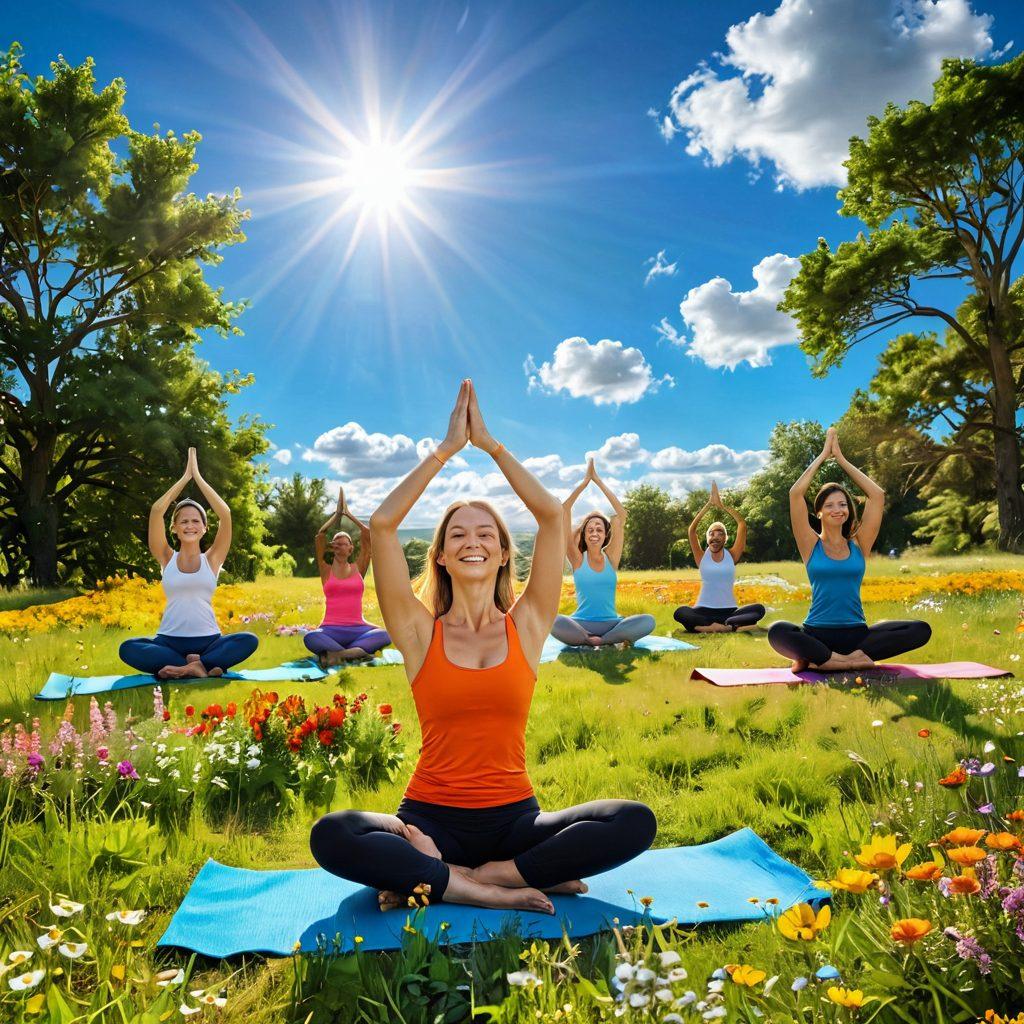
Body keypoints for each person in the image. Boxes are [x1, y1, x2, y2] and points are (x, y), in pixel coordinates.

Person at [309, 381, 657, 913]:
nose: (472, 541)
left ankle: (472, 877)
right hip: (428, 820)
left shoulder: (528, 625)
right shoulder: (420, 632)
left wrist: (491, 445)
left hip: (514, 822)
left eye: (486, 534)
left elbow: (551, 516)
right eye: (457, 535)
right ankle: (480, 887)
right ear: (441, 556)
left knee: (633, 821)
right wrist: (445, 450)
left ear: (502, 554)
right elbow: (381, 524)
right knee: (332, 834)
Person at [767, 428, 931, 673]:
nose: (838, 509)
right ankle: (841, 660)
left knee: (919, 629)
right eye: (829, 505)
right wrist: (824, 455)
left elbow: (876, 495)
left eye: (842, 504)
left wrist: (841, 459)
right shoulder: (810, 544)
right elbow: (795, 494)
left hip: (857, 636)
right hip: (817, 633)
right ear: (818, 512)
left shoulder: (859, 543)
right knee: (778, 631)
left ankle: (823, 660)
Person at [119, 448, 258, 679]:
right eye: (183, 521)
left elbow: (225, 514)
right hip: (169, 642)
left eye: (195, 521)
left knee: (248, 640)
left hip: (209, 641)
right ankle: (200, 666)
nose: (190, 525)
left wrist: (198, 477)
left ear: (204, 528)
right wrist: (185, 478)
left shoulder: (212, 559)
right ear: (174, 528)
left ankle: (189, 667)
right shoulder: (166, 557)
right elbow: (156, 511)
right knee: (128, 648)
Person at [549, 458, 655, 648]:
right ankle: (594, 639)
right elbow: (565, 509)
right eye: (590, 530)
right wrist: (585, 482)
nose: (594, 533)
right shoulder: (577, 558)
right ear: (584, 535)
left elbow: (621, 515)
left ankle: (599, 640)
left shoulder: (611, 557)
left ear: (606, 535)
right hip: (581, 622)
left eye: (599, 529)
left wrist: (597, 480)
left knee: (648, 621)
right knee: (552, 619)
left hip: (611, 623)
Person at [302, 486, 390, 667]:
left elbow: (367, 535)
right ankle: (355, 654)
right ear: (332, 547)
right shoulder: (325, 570)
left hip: (358, 628)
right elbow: (320, 537)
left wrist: (349, 514)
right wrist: (336, 516)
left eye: (344, 543)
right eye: (336, 543)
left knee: (385, 635)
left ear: (351, 548)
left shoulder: (359, 567)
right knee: (311, 637)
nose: (340, 545)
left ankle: (337, 655)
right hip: (330, 629)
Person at [673, 481, 765, 633]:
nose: (715, 537)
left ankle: (707, 628)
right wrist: (709, 504)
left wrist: (722, 505)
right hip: (703, 611)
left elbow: (741, 524)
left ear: (725, 539)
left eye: (720, 533)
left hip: (729, 612)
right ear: (707, 538)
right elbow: (691, 530)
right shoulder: (701, 557)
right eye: (712, 533)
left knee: (759, 609)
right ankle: (727, 627)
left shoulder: (732, 555)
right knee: (680, 612)